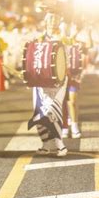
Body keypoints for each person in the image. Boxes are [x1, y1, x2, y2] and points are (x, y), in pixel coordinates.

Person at [28, 11, 68, 157]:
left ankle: (60, 145)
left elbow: (64, 59)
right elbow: (31, 56)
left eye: (55, 18)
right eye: (50, 18)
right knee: (39, 112)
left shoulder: (62, 38)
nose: (52, 21)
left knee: (52, 111)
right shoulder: (38, 38)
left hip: (58, 81)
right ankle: (45, 144)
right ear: (45, 21)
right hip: (40, 80)